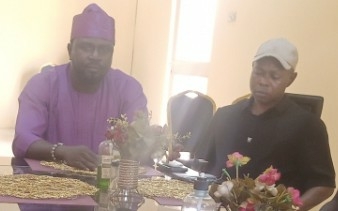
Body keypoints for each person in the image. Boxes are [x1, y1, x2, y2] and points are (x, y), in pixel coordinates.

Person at [196, 38, 335, 210]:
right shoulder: (225, 116)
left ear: (291, 79)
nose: (263, 81)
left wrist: (289, 209)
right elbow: (202, 165)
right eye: (258, 72)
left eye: (274, 76)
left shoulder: (307, 125)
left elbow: (324, 185)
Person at [12, 3, 147, 171]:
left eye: (104, 49)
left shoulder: (128, 88)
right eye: (86, 47)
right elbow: (23, 140)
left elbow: (140, 143)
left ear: (112, 54)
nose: (95, 56)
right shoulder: (42, 84)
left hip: (107, 186)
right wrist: (62, 152)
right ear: (70, 50)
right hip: (50, 186)